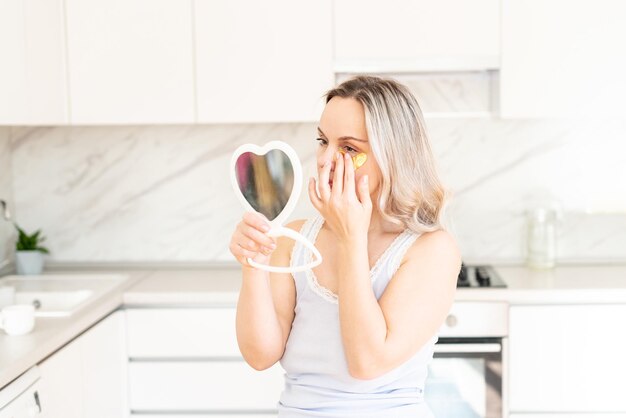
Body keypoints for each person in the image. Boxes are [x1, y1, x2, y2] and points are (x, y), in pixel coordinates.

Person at [229, 75, 461, 417]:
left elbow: (368, 362)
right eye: (323, 141)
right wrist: (254, 264)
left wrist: (351, 238)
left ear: (393, 155)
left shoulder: (431, 249)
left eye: (350, 148)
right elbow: (260, 355)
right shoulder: (294, 239)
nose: (325, 160)